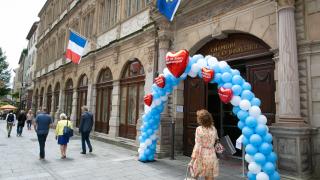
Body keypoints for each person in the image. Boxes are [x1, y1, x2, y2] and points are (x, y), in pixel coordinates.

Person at [189, 109, 219, 180]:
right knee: (209, 177)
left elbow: (197, 145)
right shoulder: (213, 129)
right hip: (211, 155)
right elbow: (217, 139)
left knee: (194, 175)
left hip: (201, 154)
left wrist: (192, 161)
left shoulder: (199, 129)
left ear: (200, 120)